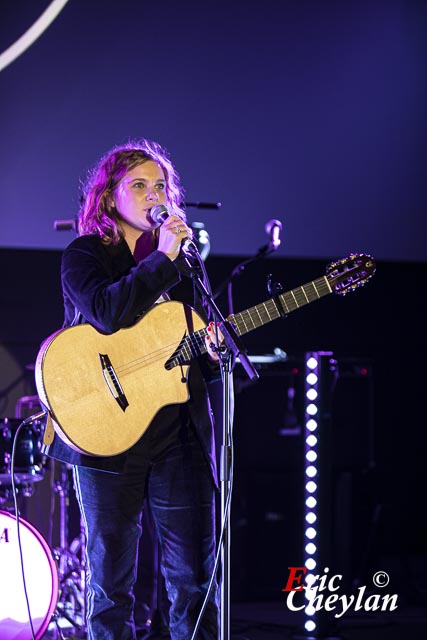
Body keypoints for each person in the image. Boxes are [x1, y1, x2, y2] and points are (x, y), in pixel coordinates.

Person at [43, 138, 220, 640]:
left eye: (160, 186)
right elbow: (108, 313)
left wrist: (207, 354)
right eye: (138, 185)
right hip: (105, 433)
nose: (151, 195)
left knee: (192, 580)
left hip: (175, 436)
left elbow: (183, 351)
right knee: (112, 585)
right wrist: (161, 258)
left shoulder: (185, 265)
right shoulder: (85, 255)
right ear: (109, 197)